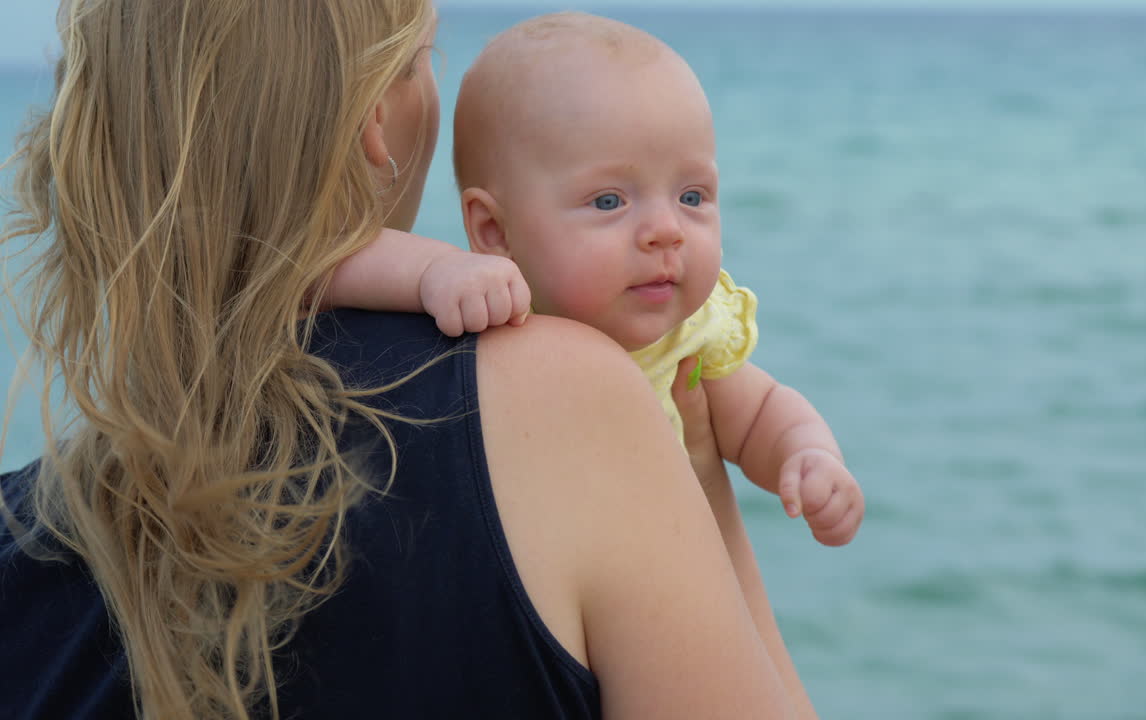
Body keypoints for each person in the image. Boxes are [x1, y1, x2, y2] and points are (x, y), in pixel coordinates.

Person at [0, 2, 817, 719]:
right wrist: (702, 486)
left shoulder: (19, 537)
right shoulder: (565, 395)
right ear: (375, 122)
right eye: (425, 56)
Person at [326, 12, 864, 547]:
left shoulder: (685, 340)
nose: (666, 230)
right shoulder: (488, 313)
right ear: (494, 231)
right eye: (609, 201)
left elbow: (762, 414)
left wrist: (808, 456)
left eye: (692, 196)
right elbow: (314, 268)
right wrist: (431, 271)